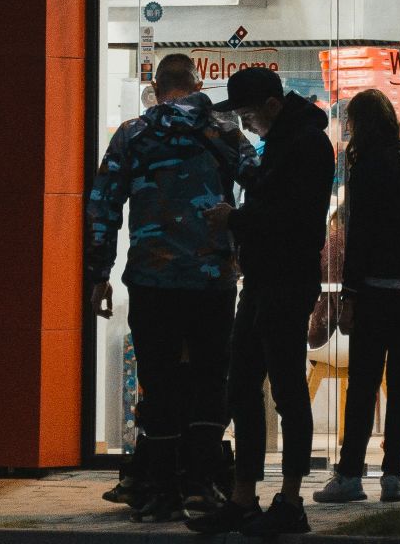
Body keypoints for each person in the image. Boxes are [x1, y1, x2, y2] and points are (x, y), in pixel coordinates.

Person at [86, 53, 256, 521]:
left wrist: (98, 275)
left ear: (157, 89)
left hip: (152, 280)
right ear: (197, 82)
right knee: (209, 378)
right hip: (212, 281)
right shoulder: (224, 132)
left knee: (157, 381)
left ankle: (158, 488)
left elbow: (103, 205)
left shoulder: (133, 135)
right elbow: (261, 186)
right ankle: (200, 486)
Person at [188, 66, 334, 537]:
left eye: (250, 114)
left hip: (287, 281)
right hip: (264, 280)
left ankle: (290, 502)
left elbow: (295, 218)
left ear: (272, 105)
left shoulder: (308, 144)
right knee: (242, 385)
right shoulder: (286, 141)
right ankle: (243, 497)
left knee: (288, 389)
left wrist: (236, 220)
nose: (247, 124)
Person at [313, 90, 400, 505]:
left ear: (359, 124)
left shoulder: (365, 164)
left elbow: (360, 237)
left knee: (364, 384)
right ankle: (394, 478)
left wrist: (348, 296)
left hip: (378, 291)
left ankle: (351, 474)